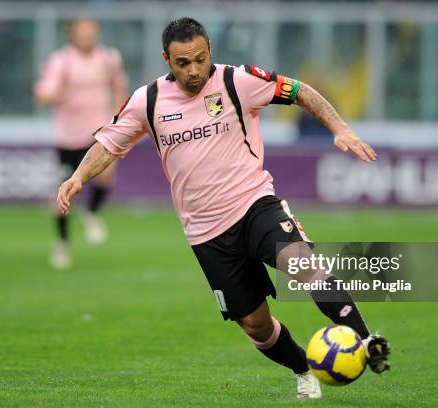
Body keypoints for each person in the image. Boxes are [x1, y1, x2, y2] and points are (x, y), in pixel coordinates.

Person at [57, 17, 390, 399]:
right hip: (206, 232)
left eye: (200, 59)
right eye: (183, 63)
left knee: (303, 264)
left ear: (210, 50)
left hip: (254, 204)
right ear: (166, 58)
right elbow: (109, 144)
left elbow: (300, 91)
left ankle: (367, 341)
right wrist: (78, 178)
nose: (194, 70)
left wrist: (339, 127)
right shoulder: (146, 101)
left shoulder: (239, 81)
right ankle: (304, 371)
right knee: (255, 326)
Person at [35, 18, 128, 269]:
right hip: (68, 137)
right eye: (82, 32)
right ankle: (63, 243)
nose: (87, 36)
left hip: (97, 132)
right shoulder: (62, 61)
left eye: (91, 32)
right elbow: (42, 94)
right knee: (65, 191)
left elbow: (119, 86)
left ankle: (92, 212)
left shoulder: (108, 58)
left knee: (107, 176)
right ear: (72, 35)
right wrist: (59, 94)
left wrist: (118, 115)